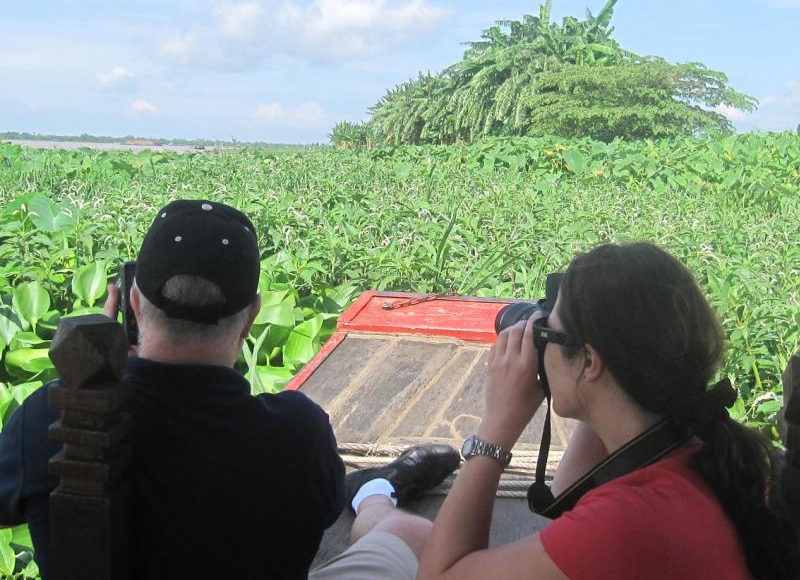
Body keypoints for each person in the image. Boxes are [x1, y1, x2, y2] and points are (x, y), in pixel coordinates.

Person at [345, 242, 800, 579]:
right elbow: (569, 500)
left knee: (392, 539)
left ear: (591, 361)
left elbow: (439, 576)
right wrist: (576, 366)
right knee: (407, 534)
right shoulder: (691, 447)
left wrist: (496, 431)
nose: (537, 335)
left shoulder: (631, 520)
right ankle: (376, 497)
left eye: (550, 329)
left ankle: (374, 499)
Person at [0, 200, 346, 579]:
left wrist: (100, 372)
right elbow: (331, 510)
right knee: (390, 530)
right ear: (250, 317)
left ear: (132, 302)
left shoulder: (48, 418)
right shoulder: (302, 433)